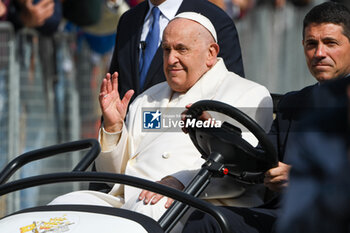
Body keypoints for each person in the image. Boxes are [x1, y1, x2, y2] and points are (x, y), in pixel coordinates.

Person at [49, 12, 273, 223]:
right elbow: (114, 177)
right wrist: (114, 128)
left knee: (149, 208)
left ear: (211, 53)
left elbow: (239, 171)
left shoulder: (248, 94)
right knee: (61, 207)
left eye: (181, 49)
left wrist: (182, 182)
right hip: (129, 199)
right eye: (166, 49)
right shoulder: (148, 98)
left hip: (201, 204)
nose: (171, 59)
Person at [182, 2, 350, 233]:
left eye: (331, 43)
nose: (319, 53)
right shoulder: (292, 104)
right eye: (311, 44)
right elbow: (258, 162)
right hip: (283, 215)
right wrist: (213, 129)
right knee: (205, 220)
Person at [108, 0, 245, 102]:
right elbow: (117, 88)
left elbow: (231, 94)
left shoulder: (215, 20)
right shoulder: (128, 20)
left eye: (182, 49)